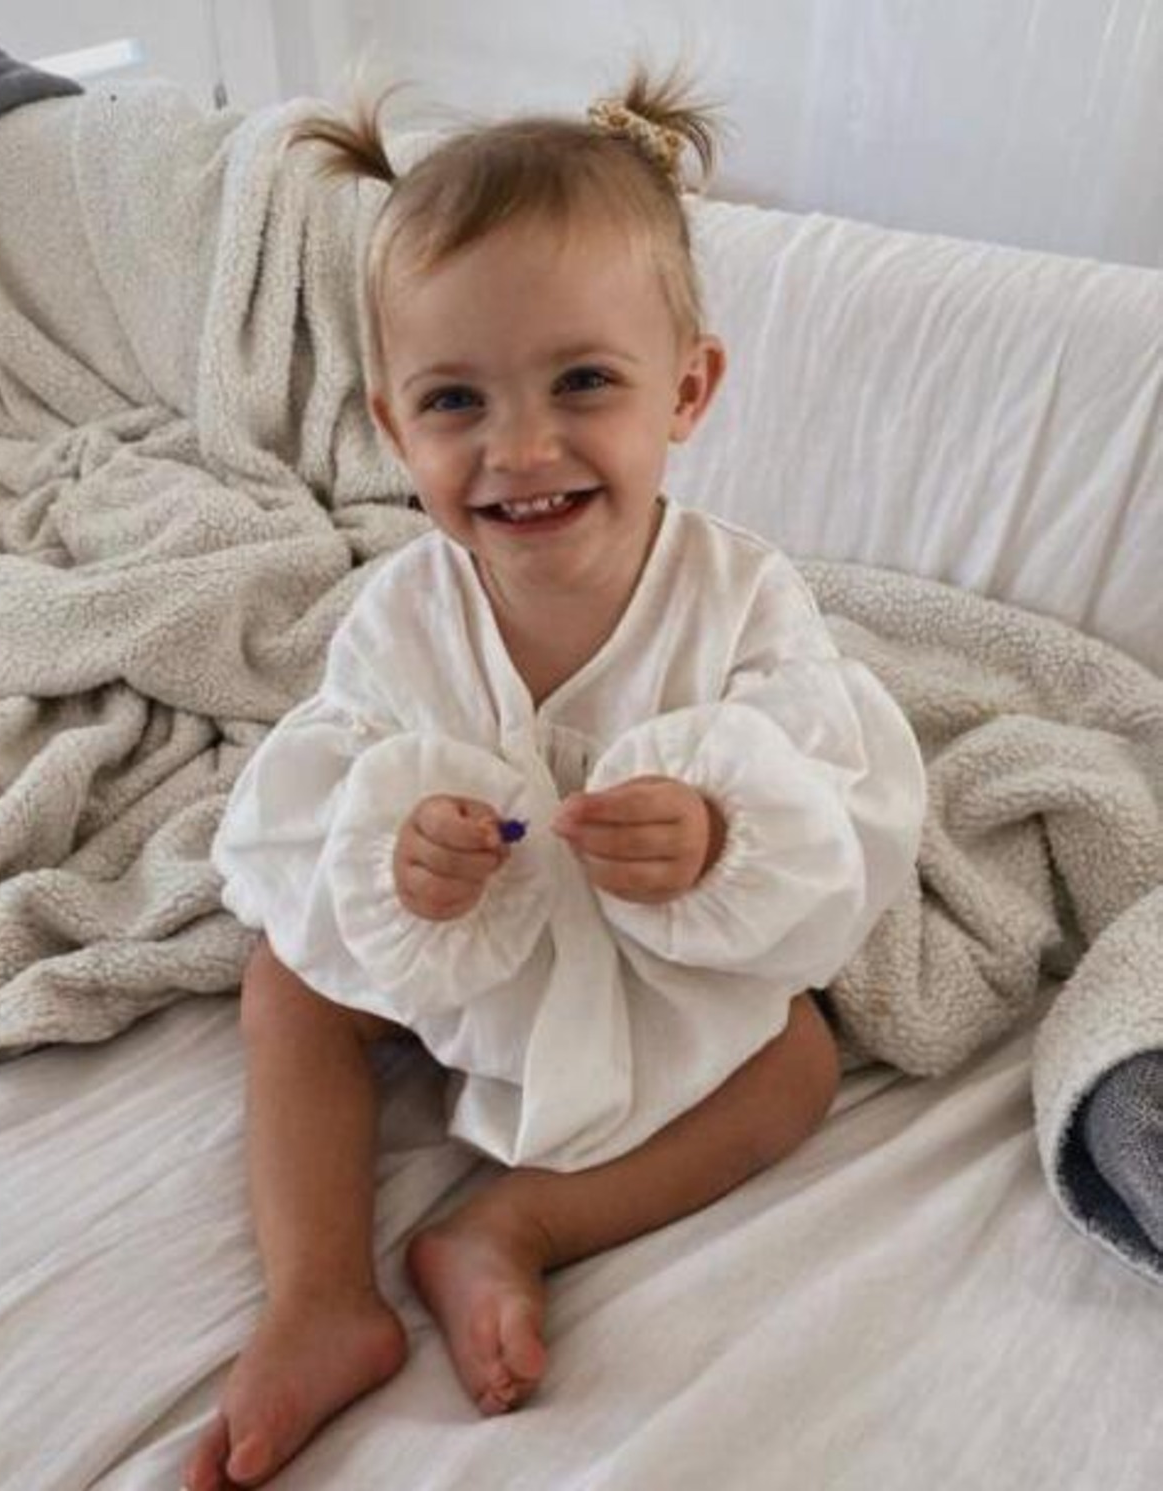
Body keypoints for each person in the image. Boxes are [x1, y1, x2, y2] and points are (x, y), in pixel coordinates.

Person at [184, 65, 925, 1491]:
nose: (519, 450)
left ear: (687, 390)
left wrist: (718, 834)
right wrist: (401, 854)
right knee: (285, 980)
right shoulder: (405, 617)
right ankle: (320, 1295)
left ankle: (511, 1225)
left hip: (654, 973)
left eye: (582, 382)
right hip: (474, 958)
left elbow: (834, 804)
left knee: (797, 1064)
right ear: (395, 428)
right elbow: (331, 793)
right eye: (456, 401)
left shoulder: (740, 600)